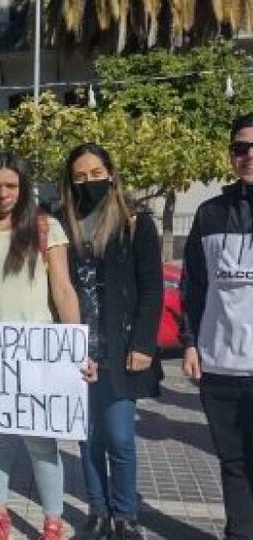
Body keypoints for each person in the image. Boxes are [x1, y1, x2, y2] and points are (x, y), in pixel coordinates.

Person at [0, 152, 96, 540]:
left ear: (23, 186)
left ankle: (52, 521)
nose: (3, 193)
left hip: (34, 352)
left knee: (42, 443)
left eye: (10, 185)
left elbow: (63, 290)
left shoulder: (46, 228)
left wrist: (78, 348)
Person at [59, 143, 163, 540]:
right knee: (87, 437)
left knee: (119, 436)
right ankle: (98, 512)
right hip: (76, 350)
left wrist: (143, 344)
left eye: (96, 174)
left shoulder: (135, 221)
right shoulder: (61, 223)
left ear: (111, 175)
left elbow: (152, 288)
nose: (89, 182)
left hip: (120, 350)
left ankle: (126, 515)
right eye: (80, 177)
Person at [181, 114, 253, 540]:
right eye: (240, 148)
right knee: (233, 463)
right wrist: (190, 343)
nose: (248, 156)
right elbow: (193, 284)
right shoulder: (209, 213)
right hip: (219, 367)